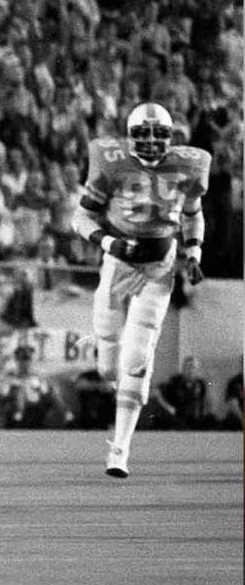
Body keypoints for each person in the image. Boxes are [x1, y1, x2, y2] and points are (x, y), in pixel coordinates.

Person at [72, 102, 210, 478]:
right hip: (118, 264)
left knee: (136, 358)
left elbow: (193, 212)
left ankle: (120, 450)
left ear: (171, 137)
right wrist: (108, 243)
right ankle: (109, 358)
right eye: (143, 133)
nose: (150, 141)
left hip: (158, 267)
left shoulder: (190, 165)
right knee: (106, 367)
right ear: (129, 136)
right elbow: (81, 215)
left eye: (158, 134)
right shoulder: (109, 159)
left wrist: (194, 251)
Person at [0, 345, 72, 428]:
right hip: (16, 408)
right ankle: (18, 415)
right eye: (23, 359)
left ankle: (66, 414)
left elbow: (45, 392)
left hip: (36, 407)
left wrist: (38, 387)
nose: (26, 363)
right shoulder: (9, 375)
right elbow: (3, 394)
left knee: (53, 390)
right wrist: (17, 384)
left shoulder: (36, 375)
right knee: (20, 391)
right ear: (17, 360)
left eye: (29, 359)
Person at [155, 355, 211, 430]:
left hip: (195, 417)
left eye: (193, 367)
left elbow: (203, 402)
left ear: (197, 370)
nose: (190, 370)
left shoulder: (201, 384)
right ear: (183, 369)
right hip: (177, 415)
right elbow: (167, 402)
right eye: (188, 367)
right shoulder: (174, 382)